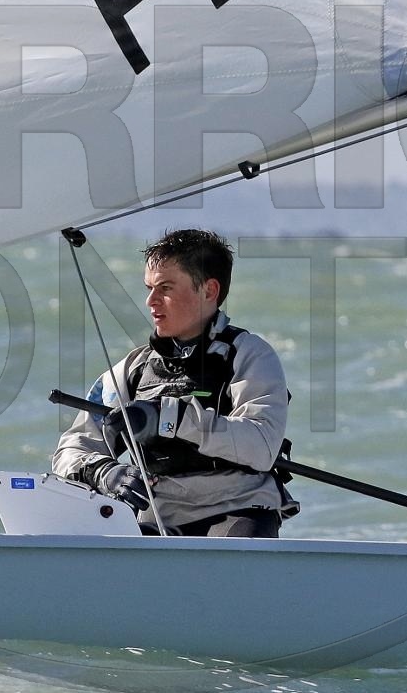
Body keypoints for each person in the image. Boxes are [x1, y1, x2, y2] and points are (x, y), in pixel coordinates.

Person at [52, 227, 295, 537]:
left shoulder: (251, 355)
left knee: (239, 552)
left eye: (165, 288)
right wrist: (103, 472)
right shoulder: (132, 369)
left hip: (238, 508)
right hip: (157, 515)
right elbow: (70, 450)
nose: (150, 301)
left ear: (209, 291)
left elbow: (261, 445)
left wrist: (169, 418)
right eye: (149, 288)